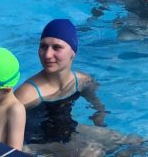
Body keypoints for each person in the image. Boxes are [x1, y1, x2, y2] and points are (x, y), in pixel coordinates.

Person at [14, 19, 108, 147]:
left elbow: (99, 109)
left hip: (67, 131)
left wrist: (99, 117)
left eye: (57, 47)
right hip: (36, 143)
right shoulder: (27, 94)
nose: (47, 55)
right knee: (92, 152)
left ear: (73, 53)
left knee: (134, 143)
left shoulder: (82, 81)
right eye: (43, 46)